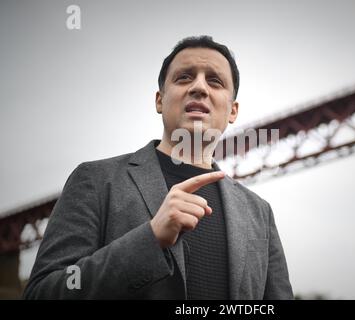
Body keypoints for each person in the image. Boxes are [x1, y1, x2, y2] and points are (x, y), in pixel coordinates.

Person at [23, 35, 293, 299]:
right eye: (184, 77)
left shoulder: (260, 213)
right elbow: (44, 292)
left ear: (233, 111)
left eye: (215, 80)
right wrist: (149, 239)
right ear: (159, 100)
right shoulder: (94, 180)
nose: (199, 87)